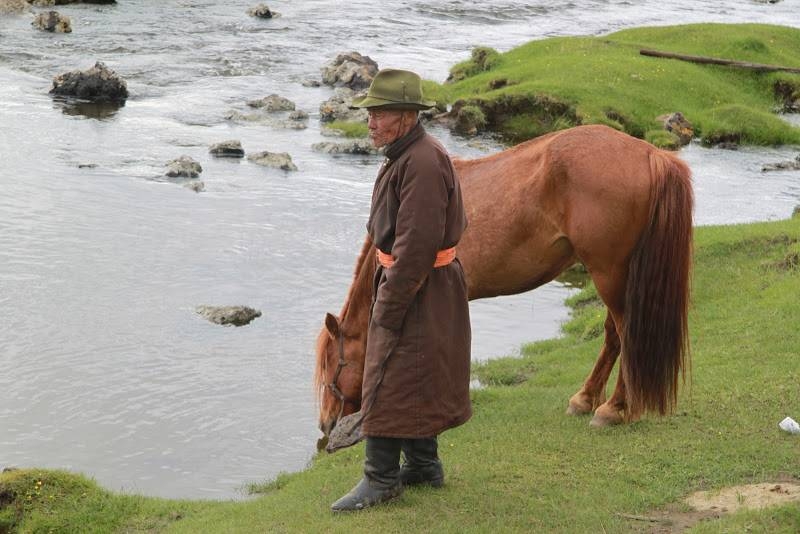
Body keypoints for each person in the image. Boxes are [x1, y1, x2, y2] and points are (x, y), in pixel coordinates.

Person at [330, 69, 472, 512]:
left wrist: (387, 307)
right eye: (369, 114)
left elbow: (415, 247)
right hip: (418, 283)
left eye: (379, 113)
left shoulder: (422, 162)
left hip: (418, 284)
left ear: (407, 116)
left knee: (390, 372)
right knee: (416, 371)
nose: (369, 121)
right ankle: (424, 465)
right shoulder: (407, 154)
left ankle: (381, 478)